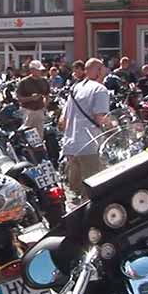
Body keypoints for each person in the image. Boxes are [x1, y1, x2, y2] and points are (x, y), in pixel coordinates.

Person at [59, 58, 110, 200]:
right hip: (90, 145)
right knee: (92, 191)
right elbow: (100, 117)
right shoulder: (100, 89)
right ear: (99, 70)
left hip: (71, 146)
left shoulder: (74, 88)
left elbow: (62, 121)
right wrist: (115, 124)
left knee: (75, 192)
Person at [16, 60, 50, 139]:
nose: (40, 72)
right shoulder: (24, 82)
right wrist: (31, 98)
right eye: (38, 70)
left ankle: (40, 151)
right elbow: (19, 98)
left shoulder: (44, 81)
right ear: (32, 70)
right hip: (28, 111)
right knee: (28, 136)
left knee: (40, 136)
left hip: (39, 111)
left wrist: (44, 107)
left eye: (40, 70)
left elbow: (47, 96)